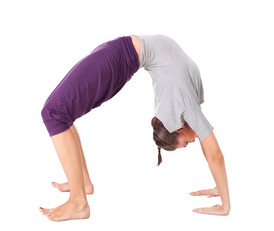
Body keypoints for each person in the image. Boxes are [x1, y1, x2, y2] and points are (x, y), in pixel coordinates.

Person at [39, 34, 230, 221]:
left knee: (55, 113)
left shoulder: (180, 104)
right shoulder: (184, 105)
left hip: (120, 56)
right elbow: (214, 154)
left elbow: (211, 152)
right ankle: (81, 192)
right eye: (187, 143)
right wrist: (224, 201)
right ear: (178, 127)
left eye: (188, 143)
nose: (195, 139)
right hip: (119, 57)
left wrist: (222, 195)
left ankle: (80, 197)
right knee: (58, 114)